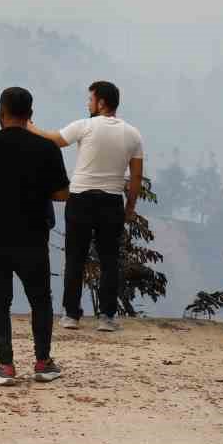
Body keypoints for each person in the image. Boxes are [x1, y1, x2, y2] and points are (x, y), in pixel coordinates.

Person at [0, 87, 70, 385]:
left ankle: (5, 366)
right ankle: (43, 363)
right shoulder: (47, 148)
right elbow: (62, 194)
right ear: (30, 115)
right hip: (32, 236)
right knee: (40, 299)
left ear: (1, 113)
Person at [28, 80, 144, 332]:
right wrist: (130, 208)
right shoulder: (133, 134)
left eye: (90, 99)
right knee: (110, 260)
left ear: (101, 102)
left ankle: (71, 315)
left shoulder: (86, 126)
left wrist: (30, 126)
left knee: (75, 258)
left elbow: (55, 140)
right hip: (112, 201)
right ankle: (107, 317)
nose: (87, 103)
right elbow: (135, 177)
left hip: (80, 199)